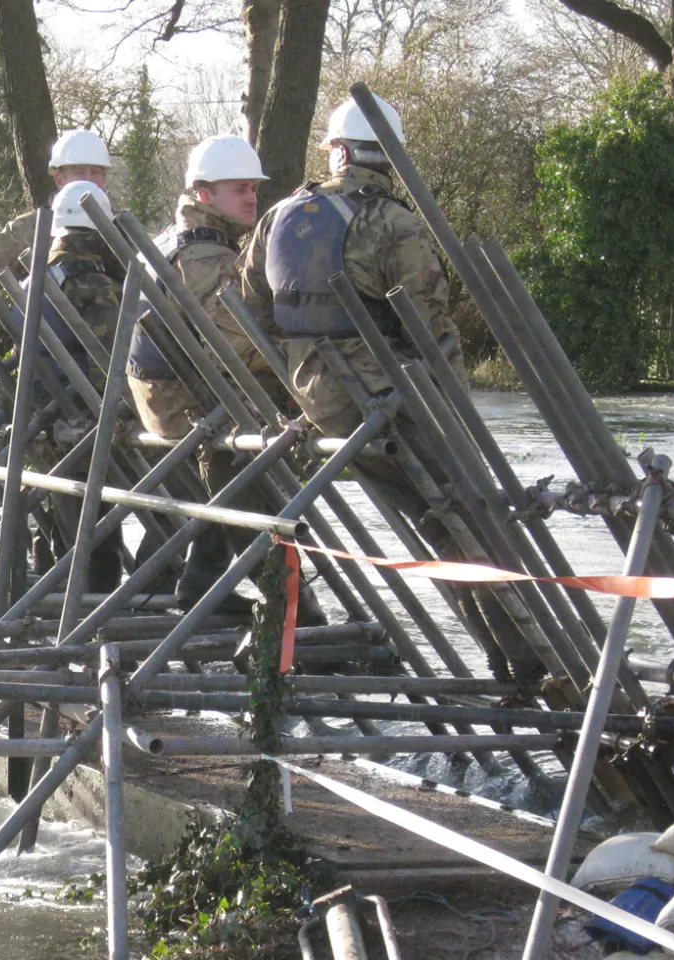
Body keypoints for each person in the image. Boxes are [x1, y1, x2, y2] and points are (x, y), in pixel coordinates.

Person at [240, 94, 534, 679]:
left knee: (432, 528)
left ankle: (503, 660)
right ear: (387, 156)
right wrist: (455, 412)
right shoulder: (396, 224)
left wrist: (302, 373)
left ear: (338, 151)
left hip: (321, 404)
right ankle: (523, 659)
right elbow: (431, 332)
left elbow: (253, 313)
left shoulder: (277, 218)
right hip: (389, 403)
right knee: (467, 523)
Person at [124, 135, 275, 611]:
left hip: (158, 393)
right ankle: (215, 586)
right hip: (181, 400)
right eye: (239, 189)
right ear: (205, 194)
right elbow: (231, 339)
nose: (251, 197)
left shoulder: (175, 237)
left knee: (219, 475)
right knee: (242, 462)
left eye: (253, 188)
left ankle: (169, 580)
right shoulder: (205, 253)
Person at [20, 181, 126, 592]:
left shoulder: (34, 278)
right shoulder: (87, 281)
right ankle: (95, 617)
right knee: (97, 537)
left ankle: (54, 601)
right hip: (81, 427)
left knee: (63, 527)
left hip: (45, 424)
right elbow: (111, 357)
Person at [0, 129, 113, 303]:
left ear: (104, 179)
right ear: (59, 179)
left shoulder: (122, 230)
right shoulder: (32, 229)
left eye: (95, 172)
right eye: (79, 172)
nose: (88, 180)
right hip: (53, 328)